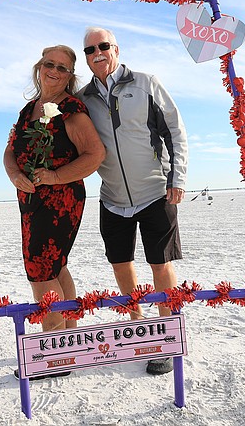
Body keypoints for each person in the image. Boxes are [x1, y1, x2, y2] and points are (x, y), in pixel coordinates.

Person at [77, 26, 187, 376]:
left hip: (156, 191)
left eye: (103, 45)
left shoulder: (146, 82)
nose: (97, 52)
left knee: (160, 263)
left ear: (116, 49)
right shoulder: (83, 99)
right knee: (120, 263)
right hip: (111, 197)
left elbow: (175, 130)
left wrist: (178, 177)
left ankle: (166, 339)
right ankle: (138, 326)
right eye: (89, 49)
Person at [3, 45, 105, 342]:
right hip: (31, 201)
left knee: (41, 271)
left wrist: (56, 176)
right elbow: (10, 151)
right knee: (55, 268)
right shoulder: (28, 109)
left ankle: (54, 346)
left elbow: (95, 154)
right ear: (39, 66)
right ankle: (68, 339)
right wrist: (14, 174)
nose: (54, 71)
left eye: (62, 68)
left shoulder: (71, 109)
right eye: (50, 64)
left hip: (61, 202)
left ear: (70, 75)